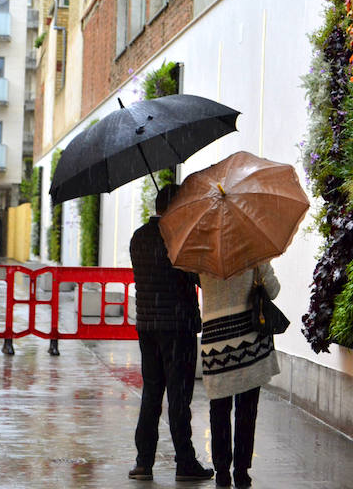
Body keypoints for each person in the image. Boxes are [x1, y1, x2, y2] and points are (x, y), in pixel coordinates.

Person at [128, 184, 213, 482]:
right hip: (178, 329)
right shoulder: (179, 237)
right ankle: (185, 463)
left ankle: (143, 462)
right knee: (179, 397)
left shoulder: (138, 237)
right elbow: (199, 277)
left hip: (147, 327)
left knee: (151, 393)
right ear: (176, 207)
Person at [199, 262, 280, 488]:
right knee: (246, 411)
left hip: (216, 344)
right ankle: (242, 473)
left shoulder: (204, 258)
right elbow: (273, 290)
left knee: (219, 410)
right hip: (247, 345)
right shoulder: (253, 255)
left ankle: (222, 472)